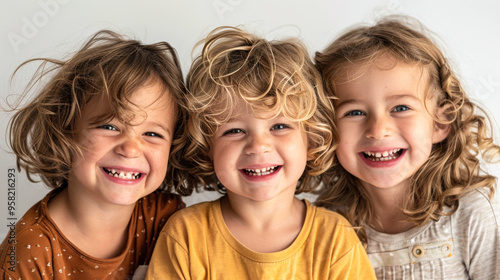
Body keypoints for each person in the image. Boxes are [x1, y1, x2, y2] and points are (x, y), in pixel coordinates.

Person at [145, 26, 376, 280]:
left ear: (312, 141)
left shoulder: (335, 238)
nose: (258, 145)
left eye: (279, 126)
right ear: (205, 148)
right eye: (234, 131)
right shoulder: (186, 235)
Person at [314, 16, 500, 279]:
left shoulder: (470, 213)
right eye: (354, 112)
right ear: (325, 128)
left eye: (401, 108)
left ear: (439, 123)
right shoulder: (326, 224)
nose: (378, 129)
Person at [0, 30, 186, 279]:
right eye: (109, 127)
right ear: (65, 130)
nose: (131, 148)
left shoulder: (165, 218)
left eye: (152, 134)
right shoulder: (27, 251)